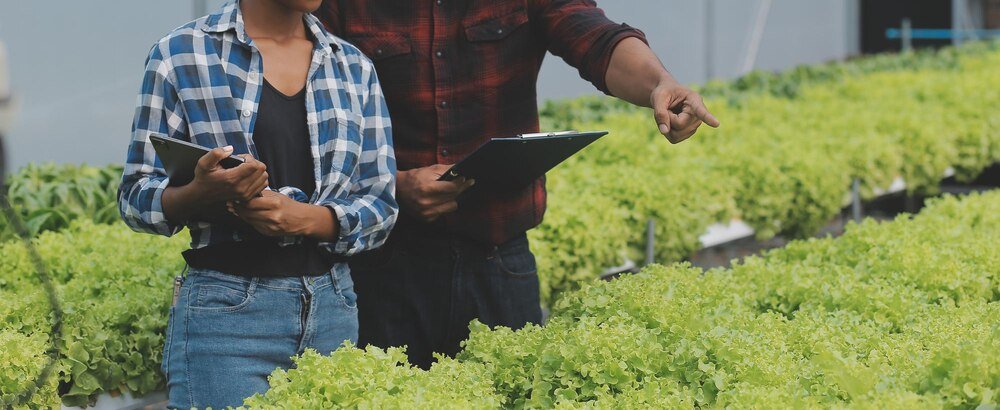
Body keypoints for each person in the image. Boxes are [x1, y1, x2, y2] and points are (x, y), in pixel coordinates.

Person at [317, 1, 720, 369]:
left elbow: (595, 37)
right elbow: (308, 118)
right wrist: (393, 187)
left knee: (513, 389)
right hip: (384, 265)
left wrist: (659, 84)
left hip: (498, 259)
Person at [117, 0, 397, 407]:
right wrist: (199, 194)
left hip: (333, 309)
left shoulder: (353, 66)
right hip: (226, 320)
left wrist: (307, 219)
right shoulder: (181, 54)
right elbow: (134, 196)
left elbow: (381, 204)